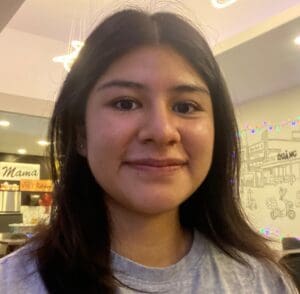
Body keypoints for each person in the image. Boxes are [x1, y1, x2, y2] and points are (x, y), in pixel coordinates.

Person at [0, 8, 298, 294]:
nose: (161, 131)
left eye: (185, 106)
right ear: (80, 134)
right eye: (125, 103)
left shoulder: (263, 281)